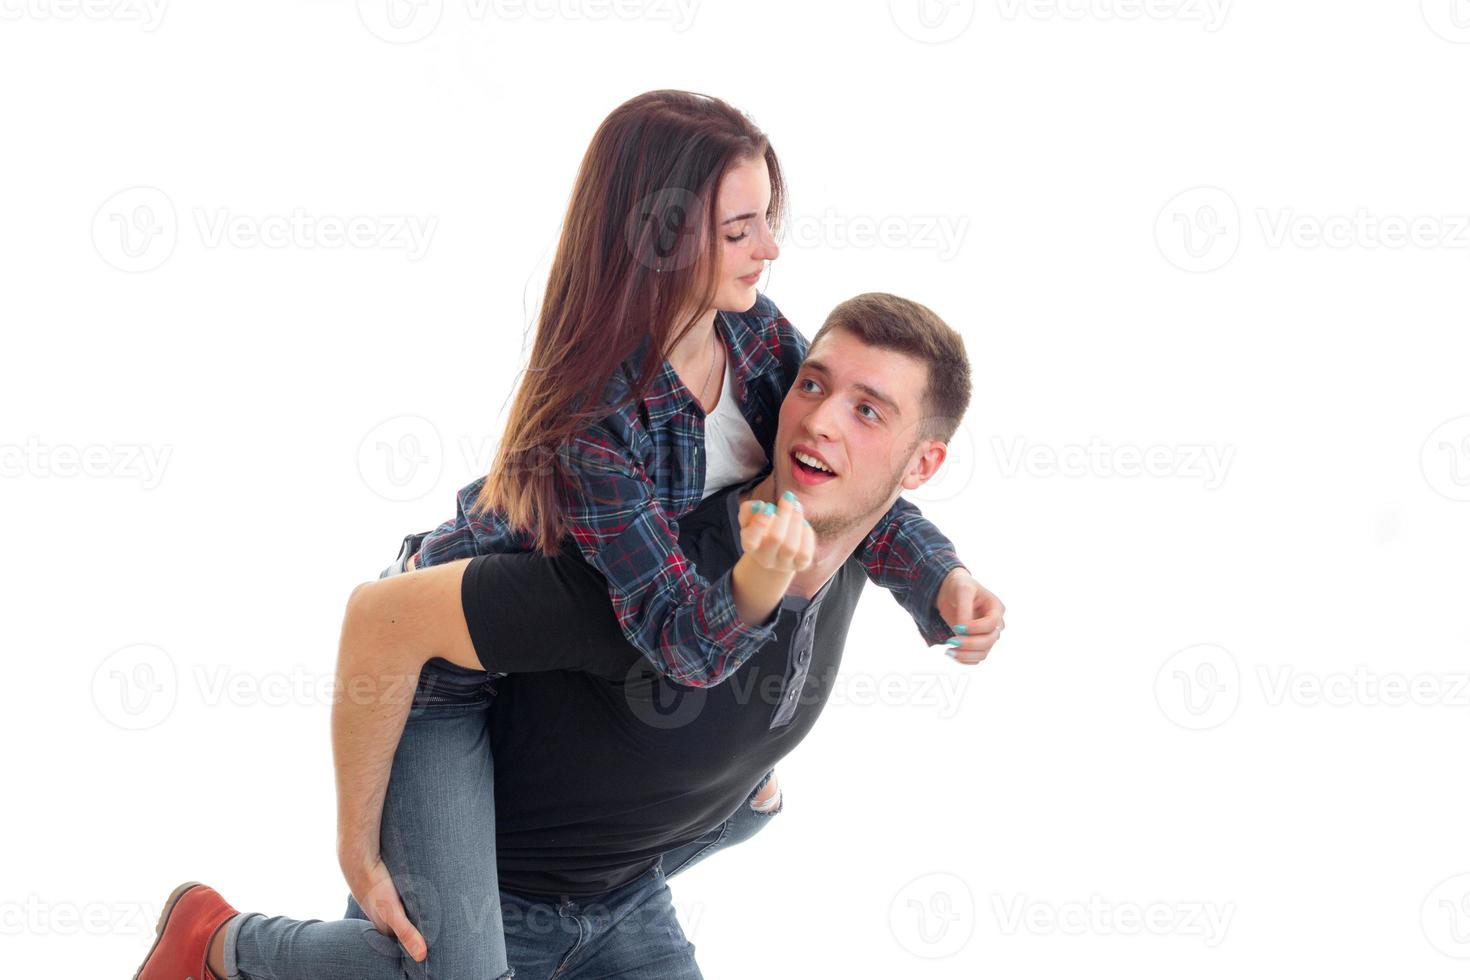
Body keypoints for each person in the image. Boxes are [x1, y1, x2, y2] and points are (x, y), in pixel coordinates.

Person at [134, 292, 1005, 980]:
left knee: (750, 810)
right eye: (811, 385)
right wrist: (357, 844)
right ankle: (219, 941)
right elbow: (381, 620)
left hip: (620, 895)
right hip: (493, 865)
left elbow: (883, 523)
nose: (818, 420)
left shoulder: (854, 524)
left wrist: (944, 583)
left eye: (868, 411)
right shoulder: (639, 575)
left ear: (919, 465)